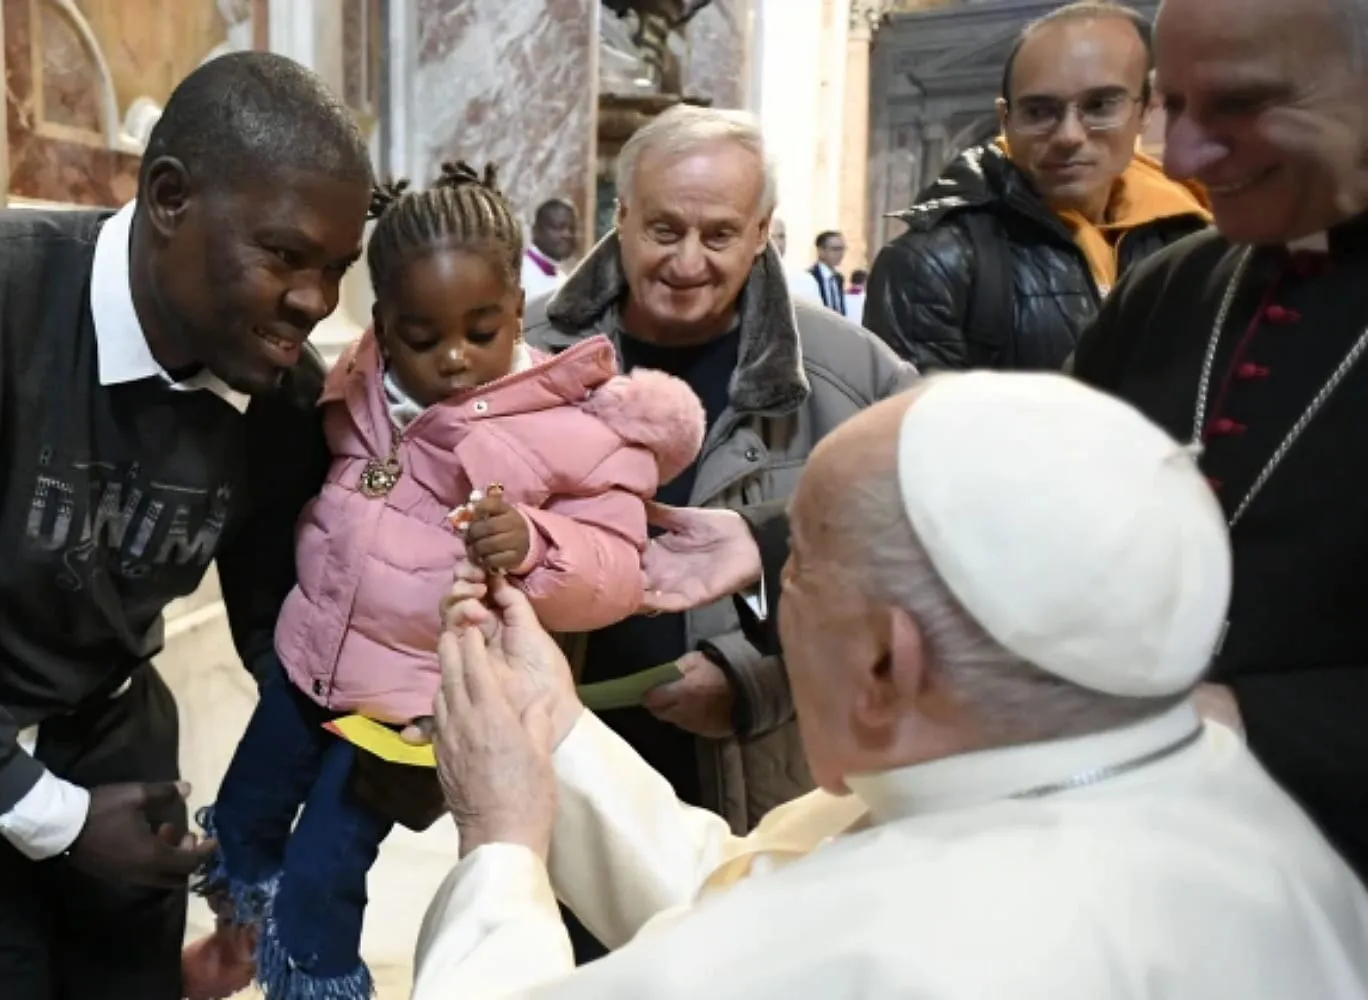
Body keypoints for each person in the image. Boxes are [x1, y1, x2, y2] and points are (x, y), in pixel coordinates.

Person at [411, 371, 1368, 1000]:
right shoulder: (1208, 794)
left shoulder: (907, 953)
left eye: (795, 573)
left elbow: (802, 947)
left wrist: (500, 850)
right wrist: (558, 735)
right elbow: (753, 902)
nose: (779, 608)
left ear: (882, 665)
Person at [0, 53, 369, 1000]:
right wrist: (44, 811)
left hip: (117, 749)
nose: (316, 304)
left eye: (337, 269)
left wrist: (356, 761)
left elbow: (281, 629)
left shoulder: (282, 396)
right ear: (170, 198)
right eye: (284, 256)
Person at [179, 162, 705, 1000]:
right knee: (241, 821)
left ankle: (313, 977)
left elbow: (613, 569)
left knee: (323, 881)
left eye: (483, 330)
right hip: (307, 665)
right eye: (422, 339)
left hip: (403, 711)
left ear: (516, 310)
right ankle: (240, 940)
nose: (455, 359)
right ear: (382, 325)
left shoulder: (568, 428)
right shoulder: (357, 389)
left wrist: (534, 543)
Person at [523, 103, 914, 958]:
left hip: (754, 772)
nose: (688, 262)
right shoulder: (525, 357)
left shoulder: (851, 380)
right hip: (564, 752)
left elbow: (901, 581)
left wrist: (752, 681)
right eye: (663, 228)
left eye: (720, 234)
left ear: (764, 231)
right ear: (617, 216)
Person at [1067, 0, 1368, 878]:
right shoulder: (1176, 286)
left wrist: (1244, 724)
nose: (1183, 156)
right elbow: (1028, 484)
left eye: (1240, 105)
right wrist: (775, 537)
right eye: (1173, 105)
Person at [864, 2, 1209, 372]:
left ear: (1144, 111)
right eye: (1038, 111)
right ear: (1006, 121)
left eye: (1100, 106)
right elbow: (914, 423)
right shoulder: (930, 264)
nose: (1069, 136)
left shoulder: (1193, 240)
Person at [521, 197, 579, 302]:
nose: (567, 234)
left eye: (572, 228)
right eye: (558, 227)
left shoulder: (562, 277)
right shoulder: (520, 273)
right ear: (536, 231)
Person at [768, 218, 823, 306]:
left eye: (781, 236)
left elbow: (817, 316)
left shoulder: (805, 280)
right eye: (771, 237)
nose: (778, 243)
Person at [808, 230, 846, 314]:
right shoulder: (810, 277)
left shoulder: (839, 278)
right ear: (821, 251)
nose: (841, 254)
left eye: (842, 249)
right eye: (835, 249)